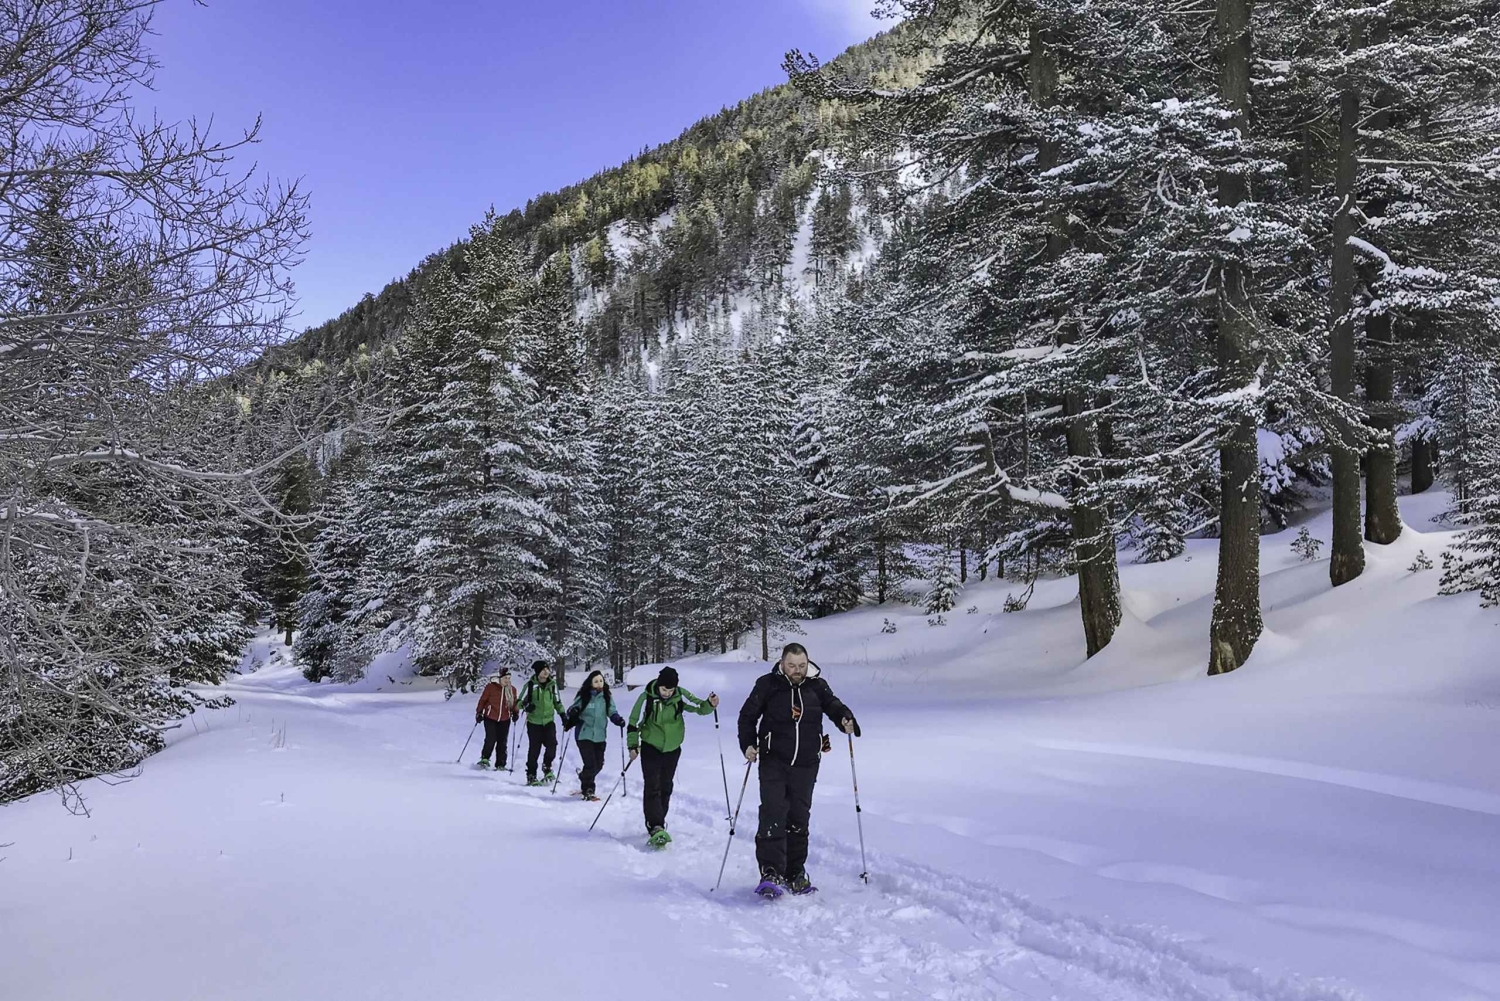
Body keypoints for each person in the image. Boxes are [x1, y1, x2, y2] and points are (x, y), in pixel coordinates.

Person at [737, 642, 858, 897]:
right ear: (782, 663)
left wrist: (845, 718)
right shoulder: (767, 684)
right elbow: (747, 716)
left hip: (806, 763)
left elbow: (833, 706)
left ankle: (795, 873)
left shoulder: (817, 685)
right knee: (772, 813)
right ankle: (770, 872)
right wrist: (748, 744)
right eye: (792, 665)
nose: (797, 670)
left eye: (801, 665)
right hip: (773, 760)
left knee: (798, 817)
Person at [626, 666, 719, 847]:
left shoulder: (680, 695)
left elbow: (700, 708)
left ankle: (659, 821)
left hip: (673, 749)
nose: (667, 693)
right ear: (658, 686)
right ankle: (655, 825)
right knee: (653, 785)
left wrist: (710, 704)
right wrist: (632, 745)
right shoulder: (647, 696)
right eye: (664, 689)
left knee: (666, 785)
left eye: (670, 690)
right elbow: (633, 721)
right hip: (651, 746)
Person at [563, 670, 627, 801]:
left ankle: (583, 777)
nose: (599, 684)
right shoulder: (584, 696)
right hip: (584, 734)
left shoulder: (606, 697)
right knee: (590, 763)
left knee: (599, 764)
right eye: (596, 681)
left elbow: (612, 711)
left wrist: (617, 719)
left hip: (600, 736)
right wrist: (574, 711)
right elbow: (571, 709)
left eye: (601, 681)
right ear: (591, 683)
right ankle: (588, 789)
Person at [519, 660, 566, 786]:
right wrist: (526, 706)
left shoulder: (552, 685)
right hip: (534, 722)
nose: (546, 672)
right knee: (535, 749)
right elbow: (519, 702)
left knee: (552, 745)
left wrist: (563, 715)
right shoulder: (530, 685)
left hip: (549, 721)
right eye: (543, 670)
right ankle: (531, 775)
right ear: (537, 672)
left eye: (547, 669)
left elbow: (557, 702)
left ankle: (547, 768)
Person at [473, 668, 519, 770]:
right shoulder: (491, 687)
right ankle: (485, 758)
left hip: (505, 719)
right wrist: (479, 712)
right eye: (505, 678)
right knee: (491, 738)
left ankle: (500, 764)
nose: (507, 680)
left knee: (502, 741)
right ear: (500, 678)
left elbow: (514, 703)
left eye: (509, 678)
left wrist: (515, 712)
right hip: (490, 717)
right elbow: (483, 700)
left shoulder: (512, 690)